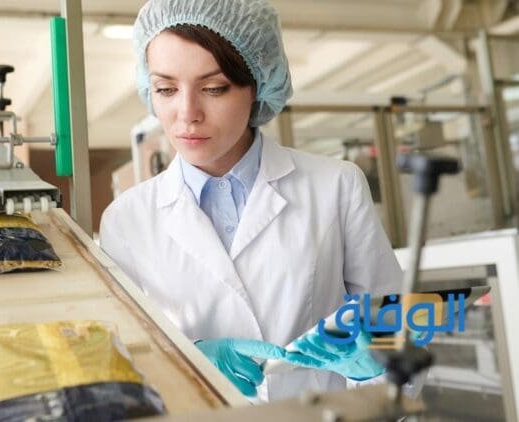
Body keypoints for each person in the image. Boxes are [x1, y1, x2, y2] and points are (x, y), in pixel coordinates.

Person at [100, 0, 403, 401]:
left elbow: (395, 325)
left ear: (258, 84)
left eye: (214, 88)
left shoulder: (336, 186)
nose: (187, 113)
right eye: (166, 89)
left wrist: (379, 367)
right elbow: (122, 363)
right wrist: (187, 362)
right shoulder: (126, 220)